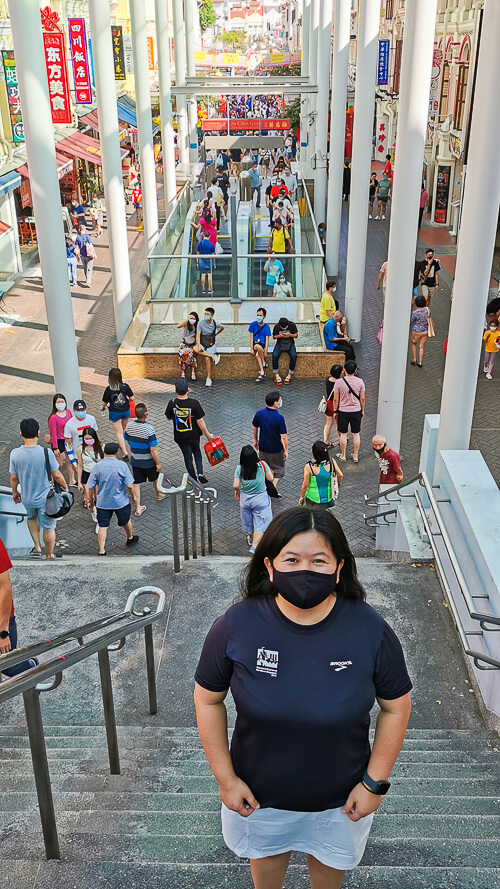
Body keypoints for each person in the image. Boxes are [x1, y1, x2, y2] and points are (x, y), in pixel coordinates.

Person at [194, 507, 412, 889]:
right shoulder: (236, 625)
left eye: (319, 560)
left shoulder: (370, 629)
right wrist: (225, 779)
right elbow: (207, 699)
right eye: (292, 559)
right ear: (270, 564)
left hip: (341, 802)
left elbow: (396, 705)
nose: (305, 571)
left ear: (339, 568)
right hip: (258, 798)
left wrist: (374, 783)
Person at [9, 418, 69, 560]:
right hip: (45, 499)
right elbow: (57, 475)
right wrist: (65, 488)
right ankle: (49, 554)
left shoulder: (15, 453)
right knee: (49, 527)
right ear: (38, 433)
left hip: (27, 497)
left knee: (31, 518)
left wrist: (15, 492)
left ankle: (36, 546)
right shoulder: (46, 453)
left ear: (21, 434)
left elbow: (13, 478)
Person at [86, 443, 139, 556]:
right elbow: (130, 485)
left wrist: (90, 500)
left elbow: (90, 486)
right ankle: (130, 538)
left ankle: (101, 550)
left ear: (104, 452)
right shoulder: (122, 466)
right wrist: (134, 496)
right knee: (125, 521)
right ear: (116, 453)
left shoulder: (97, 467)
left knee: (102, 525)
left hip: (102, 502)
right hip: (120, 502)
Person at [165, 378, 215, 485]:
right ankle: (200, 473)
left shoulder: (172, 403)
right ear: (187, 389)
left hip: (180, 436)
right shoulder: (194, 403)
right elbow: (200, 422)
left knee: (187, 456)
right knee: (197, 451)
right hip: (194, 435)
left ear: (176, 390)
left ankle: (194, 480)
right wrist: (208, 435)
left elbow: (168, 417)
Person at [0, 539, 38, 677]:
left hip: (2, 622)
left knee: (7, 665)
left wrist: (3, 632)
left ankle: (31, 667)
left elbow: (5, 588)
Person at [125, 403, 165, 515]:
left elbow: (127, 438)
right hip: (148, 461)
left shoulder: (129, 426)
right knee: (154, 478)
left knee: (136, 483)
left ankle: (138, 507)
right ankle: (158, 494)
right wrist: (157, 463)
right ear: (145, 414)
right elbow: (153, 449)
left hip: (135, 460)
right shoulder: (149, 429)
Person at [233, 445, 274, 553]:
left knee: (248, 520)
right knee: (261, 522)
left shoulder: (239, 469)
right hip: (260, 498)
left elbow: (236, 484)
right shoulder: (262, 465)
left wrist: (237, 491)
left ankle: (251, 538)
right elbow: (271, 478)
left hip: (245, 499)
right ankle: (255, 546)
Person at [332, 360, 365, 464]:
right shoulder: (360, 382)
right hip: (356, 410)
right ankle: (355, 456)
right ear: (355, 370)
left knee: (343, 434)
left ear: (344, 370)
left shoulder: (339, 382)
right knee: (356, 434)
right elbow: (362, 399)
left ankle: (343, 455)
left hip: (343, 411)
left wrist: (335, 411)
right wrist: (362, 410)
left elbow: (335, 399)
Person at [252, 390, 288, 486]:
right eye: (280, 400)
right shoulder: (279, 418)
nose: (281, 401)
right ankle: (273, 485)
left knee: (264, 467)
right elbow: (283, 437)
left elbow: (255, 428)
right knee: (279, 469)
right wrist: (285, 450)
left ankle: (266, 485)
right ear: (275, 403)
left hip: (263, 447)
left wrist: (256, 440)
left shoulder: (259, 413)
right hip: (276, 449)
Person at [299, 440, 343, 510]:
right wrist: (338, 484)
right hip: (328, 497)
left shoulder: (309, 467)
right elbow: (340, 475)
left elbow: (305, 484)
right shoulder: (332, 462)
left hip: (313, 498)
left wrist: (301, 496)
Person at [101, 367, 134, 460]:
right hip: (126, 411)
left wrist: (102, 408)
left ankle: (125, 452)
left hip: (115, 412)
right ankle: (122, 443)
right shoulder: (125, 386)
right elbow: (132, 397)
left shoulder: (108, 389)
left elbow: (104, 401)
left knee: (118, 432)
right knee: (123, 429)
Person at [64, 400, 98, 476]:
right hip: (78, 455)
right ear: (74, 411)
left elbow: (96, 435)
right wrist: (72, 461)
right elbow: (67, 444)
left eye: (82, 410)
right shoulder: (69, 424)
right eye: (78, 410)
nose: (81, 412)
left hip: (92, 453)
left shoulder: (92, 419)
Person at [48, 393, 75, 486]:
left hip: (68, 440)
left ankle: (72, 480)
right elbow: (53, 433)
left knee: (69, 460)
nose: (60, 403)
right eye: (58, 402)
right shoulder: (53, 417)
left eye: (62, 401)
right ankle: (52, 481)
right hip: (59, 441)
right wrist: (55, 448)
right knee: (57, 464)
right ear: (55, 404)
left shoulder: (68, 412)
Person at [76, 426, 104, 519]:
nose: (88, 440)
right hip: (87, 475)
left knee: (98, 497)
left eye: (90, 438)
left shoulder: (101, 447)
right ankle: (93, 511)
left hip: (99, 475)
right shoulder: (80, 449)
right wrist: (79, 482)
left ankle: (99, 514)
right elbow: (80, 466)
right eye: (86, 439)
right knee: (89, 498)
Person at [195, 306, 223, 387]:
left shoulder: (214, 323)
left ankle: (209, 378)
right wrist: (199, 344)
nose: (206, 316)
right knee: (195, 349)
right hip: (203, 342)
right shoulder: (200, 323)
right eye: (205, 314)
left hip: (211, 343)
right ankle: (214, 356)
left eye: (208, 314)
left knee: (207, 358)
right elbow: (198, 335)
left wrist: (216, 333)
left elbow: (222, 327)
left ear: (211, 316)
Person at [272, 317, 298, 386]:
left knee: (294, 355)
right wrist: (280, 336)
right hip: (280, 342)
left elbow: (296, 335)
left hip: (290, 342)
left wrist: (290, 335)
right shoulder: (277, 326)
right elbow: (274, 336)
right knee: (275, 355)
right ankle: (276, 374)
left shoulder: (292, 324)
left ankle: (290, 374)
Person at [323, 365, 344, 446]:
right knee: (339, 423)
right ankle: (340, 438)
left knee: (328, 423)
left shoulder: (327, 380)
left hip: (328, 403)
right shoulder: (340, 383)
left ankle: (325, 440)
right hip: (337, 404)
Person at [248, 307, 271, 382]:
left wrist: (266, 350)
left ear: (264, 316)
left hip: (262, 344)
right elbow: (251, 337)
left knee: (257, 355)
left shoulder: (266, 327)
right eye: (257, 315)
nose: (258, 317)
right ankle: (264, 362)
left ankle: (262, 372)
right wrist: (251, 349)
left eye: (260, 315)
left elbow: (267, 339)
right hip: (256, 344)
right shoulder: (253, 324)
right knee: (258, 347)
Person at [177, 312, 199, 380]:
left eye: (193, 318)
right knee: (182, 354)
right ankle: (183, 372)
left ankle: (193, 372)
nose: (192, 320)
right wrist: (187, 319)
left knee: (191, 354)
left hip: (192, 343)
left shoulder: (197, 325)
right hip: (184, 343)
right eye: (191, 318)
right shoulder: (186, 324)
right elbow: (178, 326)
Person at [410, 295, 430, 367]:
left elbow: (411, 321)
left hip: (416, 330)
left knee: (414, 343)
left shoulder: (415, 312)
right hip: (425, 330)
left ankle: (414, 359)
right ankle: (420, 362)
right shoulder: (427, 310)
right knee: (421, 346)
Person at [196, 231, 216, 295]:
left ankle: (203, 289)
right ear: (209, 237)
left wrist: (197, 262)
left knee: (203, 275)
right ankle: (210, 289)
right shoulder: (211, 244)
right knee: (209, 275)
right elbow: (213, 254)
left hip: (201, 261)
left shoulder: (199, 243)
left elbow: (197, 253)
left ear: (203, 236)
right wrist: (214, 263)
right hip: (209, 260)